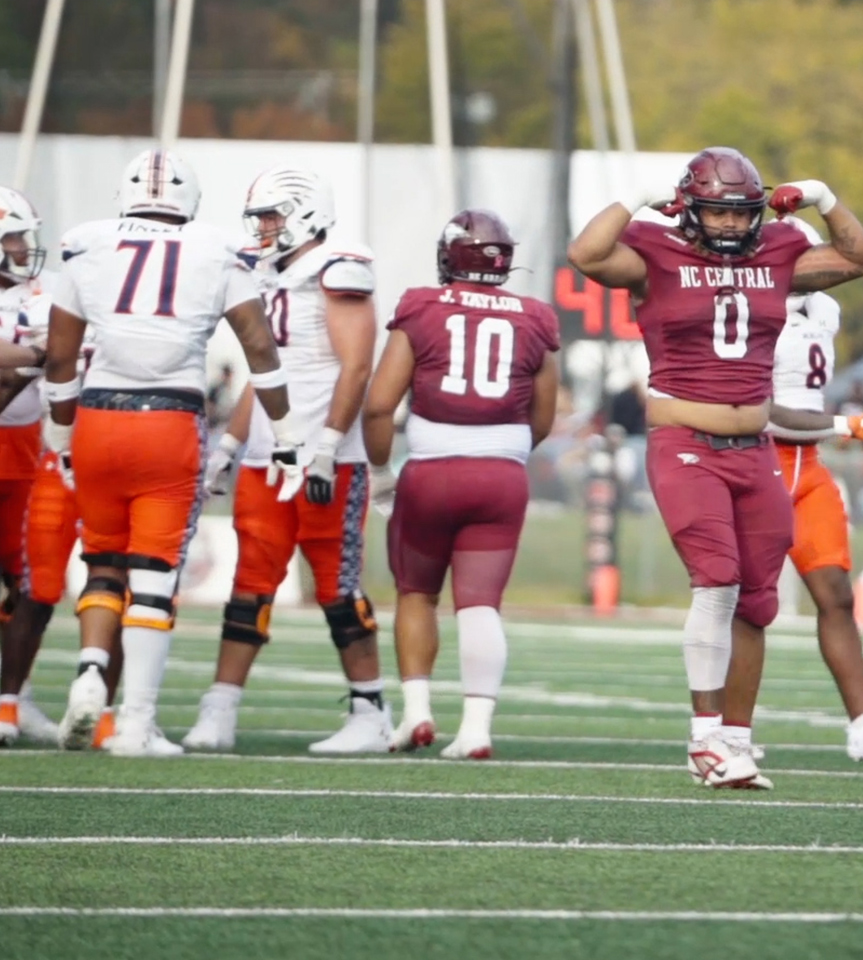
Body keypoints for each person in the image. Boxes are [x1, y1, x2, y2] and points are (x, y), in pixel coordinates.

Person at [568, 146, 863, 788]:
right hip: (686, 442)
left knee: (757, 602)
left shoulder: (778, 251)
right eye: (719, 213)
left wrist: (823, 194)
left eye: (742, 214)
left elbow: (857, 257)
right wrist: (640, 195)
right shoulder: (658, 252)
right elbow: (587, 254)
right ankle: (704, 739)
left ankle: (736, 740)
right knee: (717, 579)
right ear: (690, 208)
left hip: (756, 447)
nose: (733, 226)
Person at [49, 149, 302, 756]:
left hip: (97, 416)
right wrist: (288, 435)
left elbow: (60, 361)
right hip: (168, 420)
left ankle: (89, 674)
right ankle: (135, 724)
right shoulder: (216, 251)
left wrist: (60, 436)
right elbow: (259, 350)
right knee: (155, 578)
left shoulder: (87, 246)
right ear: (189, 201)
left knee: (103, 561)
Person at [186, 166, 386, 754]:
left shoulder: (337, 268)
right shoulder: (269, 276)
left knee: (337, 588)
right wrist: (227, 446)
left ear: (305, 212)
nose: (264, 229)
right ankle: (220, 706)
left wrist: (326, 446)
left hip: (327, 460)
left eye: (272, 216)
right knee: (249, 583)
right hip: (265, 458)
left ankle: (369, 711)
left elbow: (355, 366)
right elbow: (269, 376)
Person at [360, 210, 560, 759]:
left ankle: (418, 713)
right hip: (501, 474)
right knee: (480, 604)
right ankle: (476, 729)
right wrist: (500, 455)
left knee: (416, 592)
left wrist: (380, 472)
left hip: (432, 471)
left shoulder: (424, 305)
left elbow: (379, 406)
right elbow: (542, 418)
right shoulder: (536, 315)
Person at [764, 245, 863, 759]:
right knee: (741, 601)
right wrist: (846, 425)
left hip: (806, 467)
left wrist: (819, 195)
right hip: (756, 461)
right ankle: (721, 730)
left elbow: (859, 253)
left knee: (835, 593)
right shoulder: (752, 308)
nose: (823, 271)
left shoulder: (824, 310)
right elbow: (757, 411)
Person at [0, 186, 95, 746]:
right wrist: (41, 354)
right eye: (10, 236)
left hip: (28, 452)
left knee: (27, 581)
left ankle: (15, 693)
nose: (20, 247)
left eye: (22, 236)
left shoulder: (42, 292)